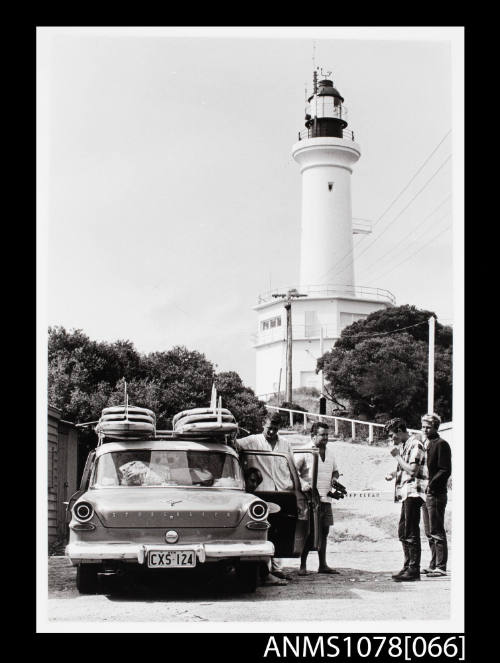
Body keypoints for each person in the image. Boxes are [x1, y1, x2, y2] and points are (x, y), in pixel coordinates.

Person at [235, 412, 310, 586]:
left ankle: (276, 569)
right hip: (262, 494)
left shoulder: (285, 444)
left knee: (280, 532)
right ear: (263, 424)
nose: (272, 432)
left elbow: (292, 468)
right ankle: (264, 572)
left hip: (283, 492)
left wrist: (299, 489)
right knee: (262, 532)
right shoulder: (252, 441)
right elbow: (234, 446)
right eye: (270, 428)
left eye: (275, 428)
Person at [384, 417, 427, 582]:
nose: (391, 439)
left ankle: (413, 569)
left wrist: (396, 457)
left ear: (400, 431)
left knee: (410, 531)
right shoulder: (405, 445)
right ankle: (407, 565)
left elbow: (413, 470)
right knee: (403, 530)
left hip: (413, 492)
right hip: (406, 492)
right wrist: (394, 474)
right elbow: (406, 467)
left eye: (392, 435)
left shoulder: (416, 444)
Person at [296, 421, 340, 576]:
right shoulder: (304, 451)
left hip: (326, 498)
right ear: (313, 435)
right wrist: (302, 484)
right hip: (309, 499)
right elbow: (293, 471)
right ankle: (302, 565)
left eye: (327, 435)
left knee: (324, 531)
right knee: (309, 532)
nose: (326, 438)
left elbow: (335, 471)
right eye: (323, 435)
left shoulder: (330, 453)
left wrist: (334, 479)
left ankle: (323, 564)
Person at [420, 413, 452, 577]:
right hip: (425, 492)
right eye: (423, 426)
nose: (425, 429)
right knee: (428, 530)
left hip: (436, 493)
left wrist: (431, 485)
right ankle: (433, 564)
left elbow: (445, 470)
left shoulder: (441, 444)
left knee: (437, 530)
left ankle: (441, 566)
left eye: (428, 426)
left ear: (435, 427)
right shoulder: (427, 443)